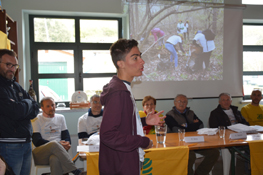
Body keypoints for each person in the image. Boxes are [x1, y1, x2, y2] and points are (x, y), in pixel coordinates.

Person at [99, 39, 166, 175]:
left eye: (140, 56)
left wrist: (143, 122)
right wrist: (142, 141)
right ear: (121, 64)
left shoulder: (124, 88)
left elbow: (123, 124)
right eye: (135, 58)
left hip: (127, 159)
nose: (142, 61)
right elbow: (108, 135)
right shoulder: (118, 92)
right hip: (121, 164)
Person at [0, 49, 39, 175]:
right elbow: (15, 111)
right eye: (8, 65)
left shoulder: (15, 85)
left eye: (15, 66)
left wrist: (23, 106)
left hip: (26, 143)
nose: (12, 69)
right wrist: (27, 103)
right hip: (8, 145)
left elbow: (35, 109)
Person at [165, 94, 219, 175]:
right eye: (179, 101)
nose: (182, 103)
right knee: (190, 156)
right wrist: (193, 125)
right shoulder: (169, 115)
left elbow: (201, 125)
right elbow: (177, 130)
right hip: (181, 144)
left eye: (184, 102)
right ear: (174, 103)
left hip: (195, 141)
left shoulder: (191, 112)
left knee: (214, 152)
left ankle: (200, 173)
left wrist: (185, 126)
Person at [31, 97, 85, 175]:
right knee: (54, 144)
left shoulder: (60, 117)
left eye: (53, 105)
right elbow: (37, 141)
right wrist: (58, 144)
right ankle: (75, 170)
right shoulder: (37, 119)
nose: (51, 108)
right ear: (42, 108)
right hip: (40, 153)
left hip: (58, 151)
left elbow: (66, 137)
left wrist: (66, 143)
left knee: (55, 159)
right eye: (48, 106)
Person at [209, 93, 251, 175]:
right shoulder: (215, 113)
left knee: (254, 146)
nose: (226, 102)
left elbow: (245, 123)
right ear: (219, 102)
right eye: (223, 100)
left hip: (241, 135)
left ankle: (252, 169)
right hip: (227, 138)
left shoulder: (236, 111)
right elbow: (214, 128)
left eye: (228, 99)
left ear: (231, 101)